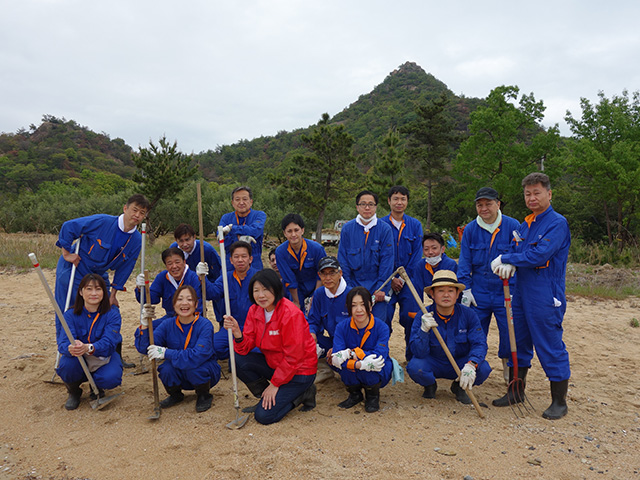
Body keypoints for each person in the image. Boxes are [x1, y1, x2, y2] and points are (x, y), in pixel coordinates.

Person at [490, 172, 571, 420]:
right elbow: (517, 249)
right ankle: (516, 391)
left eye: (537, 192)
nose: (532, 198)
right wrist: (509, 260)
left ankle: (559, 401)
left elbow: (539, 255)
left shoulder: (557, 223)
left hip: (545, 294)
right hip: (521, 292)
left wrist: (508, 259)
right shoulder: (526, 225)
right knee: (518, 341)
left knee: (549, 343)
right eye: (527, 194)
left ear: (549, 193)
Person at [55, 193, 149, 367]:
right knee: (68, 308)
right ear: (125, 208)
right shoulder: (103, 221)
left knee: (109, 307)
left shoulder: (136, 239)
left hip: (99, 273)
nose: (137, 215)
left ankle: (113, 354)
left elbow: (125, 268)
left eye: (142, 213)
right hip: (75, 268)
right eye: (134, 210)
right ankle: (67, 355)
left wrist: (113, 294)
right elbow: (69, 226)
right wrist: (66, 253)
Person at [223, 269, 317, 425]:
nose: (261, 295)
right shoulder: (255, 310)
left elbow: (294, 357)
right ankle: (266, 398)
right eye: (256, 290)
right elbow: (245, 348)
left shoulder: (290, 314)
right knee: (237, 360)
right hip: (276, 365)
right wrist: (238, 333)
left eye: (266, 289)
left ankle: (303, 393)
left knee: (264, 417)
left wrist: (275, 384)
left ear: (276, 288)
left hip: (300, 371)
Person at [457, 187, 521, 384]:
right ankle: (473, 369)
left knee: (509, 333)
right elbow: (465, 261)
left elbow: (521, 255)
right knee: (475, 332)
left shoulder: (513, 226)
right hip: (479, 291)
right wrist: (465, 289)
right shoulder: (470, 230)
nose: (484, 208)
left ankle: (509, 372)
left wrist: (512, 262)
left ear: (498, 204)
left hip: (506, 290)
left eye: (488, 204)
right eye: (480, 204)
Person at [406, 270, 491, 405]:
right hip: (434, 362)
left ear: (457, 294)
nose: (446, 295)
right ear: (432, 294)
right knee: (415, 367)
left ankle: (459, 387)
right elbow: (418, 352)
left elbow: (479, 343)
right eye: (440, 291)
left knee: (483, 368)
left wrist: (471, 364)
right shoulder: (423, 316)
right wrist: (424, 330)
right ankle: (429, 385)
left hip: (460, 363)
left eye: (451, 291)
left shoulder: (469, 315)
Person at [136, 285, 221, 413]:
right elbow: (145, 348)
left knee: (195, 367)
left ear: (196, 304)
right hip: (179, 371)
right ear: (174, 304)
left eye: (189, 299)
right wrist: (144, 325)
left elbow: (197, 355)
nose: (184, 303)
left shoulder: (205, 325)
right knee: (166, 369)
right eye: (180, 299)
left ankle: (204, 395)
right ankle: (175, 395)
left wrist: (166, 352)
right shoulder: (167, 324)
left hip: (203, 371)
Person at [56, 274, 123, 410]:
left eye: (98, 289)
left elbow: (109, 342)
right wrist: (72, 347)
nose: (94, 293)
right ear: (81, 292)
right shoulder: (69, 315)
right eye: (89, 289)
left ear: (104, 292)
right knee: (66, 366)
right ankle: (74, 392)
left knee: (111, 378)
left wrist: (89, 347)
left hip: (102, 357)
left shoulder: (113, 314)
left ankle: (97, 387)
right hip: (78, 358)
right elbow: (62, 343)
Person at [330, 287, 392, 413]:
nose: (359, 310)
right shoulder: (342, 327)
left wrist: (350, 353)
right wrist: (361, 364)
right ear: (348, 308)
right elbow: (336, 357)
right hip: (358, 365)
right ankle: (355, 394)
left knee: (373, 367)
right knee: (346, 366)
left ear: (370, 305)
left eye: (363, 304)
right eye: (354, 305)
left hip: (376, 368)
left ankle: (372, 396)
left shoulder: (382, 327)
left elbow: (378, 356)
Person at [337, 190, 394, 327]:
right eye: (363, 204)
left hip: (377, 289)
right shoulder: (347, 229)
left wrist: (381, 288)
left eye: (371, 204)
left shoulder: (385, 229)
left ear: (376, 207)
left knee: (377, 326)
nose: (367, 207)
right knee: (353, 325)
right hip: (353, 286)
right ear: (357, 207)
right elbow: (343, 260)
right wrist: (349, 289)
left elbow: (387, 261)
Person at [402, 232, 458, 360]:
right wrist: (418, 312)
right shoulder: (420, 266)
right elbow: (417, 291)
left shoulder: (450, 265)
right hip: (432, 303)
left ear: (442, 249)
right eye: (426, 249)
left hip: (449, 303)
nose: (430, 252)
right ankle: (411, 355)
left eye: (434, 248)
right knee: (412, 319)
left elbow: (452, 292)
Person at [380, 186, 424, 329]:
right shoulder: (380, 225)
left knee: (412, 317)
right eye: (396, 199)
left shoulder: (415, 225)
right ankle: (382, 350)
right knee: (383, 317)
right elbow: (377, 256)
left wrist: (404, 278)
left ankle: (411, 351)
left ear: (407, 201)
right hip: (386, 280)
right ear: (389, 201)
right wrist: (391, 278)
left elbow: (418, 254)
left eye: (403, 199)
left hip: (410, 280)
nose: (399, 202)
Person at [205, 241, 258, 360]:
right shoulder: (225, 277)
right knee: (212, 346)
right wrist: (203, 278)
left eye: (244, 256)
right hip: (231, 327)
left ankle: (239, 356)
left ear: (250, 259)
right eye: (236, 257)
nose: (240, 260)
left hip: (253, 329)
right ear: (231, 260)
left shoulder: (258, 277)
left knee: (259, 350)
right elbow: (212, 293)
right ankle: (235, 353)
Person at [134, 247, 203, 329]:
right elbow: (151, 299)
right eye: (169, 263)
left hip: (191, 319)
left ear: (184, 262)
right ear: (166, 266)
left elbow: (198, 305)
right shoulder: (162, 277)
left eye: (177, 262)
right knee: (143, 330)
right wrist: (141, 288)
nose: (174, 266)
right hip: (170, 318)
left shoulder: (193, 278)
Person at [170, 223, 223, 321]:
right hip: (187, 283)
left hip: (208, 280)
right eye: (181, 241)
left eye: (187, 240)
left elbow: (218, 273)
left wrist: (208, 284)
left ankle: (221, 321)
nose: (185, 244)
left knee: (219, 301)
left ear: (194, 237)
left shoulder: (207, 250)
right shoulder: (174, 250)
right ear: (176, 240)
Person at [275, 214, 326, 311]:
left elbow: (321, 274)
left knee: (316, 313)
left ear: (302, 230)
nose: (293, 235)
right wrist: (297, 303)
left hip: (316, 287)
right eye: (289, 231)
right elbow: (289, 280)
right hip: (295, 291)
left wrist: (314, 299)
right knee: (296, 314)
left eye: (296, 230)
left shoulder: (317, 249)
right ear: (284, 233)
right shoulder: (280, 252)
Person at [307, 256, 352, 360]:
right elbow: (313, 320)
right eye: (324, 274)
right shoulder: (319, 293)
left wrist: (338, 347)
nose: (328, 278)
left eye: (332, 273)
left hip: (350, 343)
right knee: (303, 340)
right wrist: (312, 333)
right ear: (319, 275)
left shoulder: (351, 294)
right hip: (331, 341)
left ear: (340, 273)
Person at [218, 186, 267, 270]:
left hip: (254, 266)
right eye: (237, 199)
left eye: (244, 199)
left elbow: (255, 231)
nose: (241, 202)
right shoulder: (226, 218)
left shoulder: (259, 215)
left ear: (251, 202)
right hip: (230, 266)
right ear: (232, 203)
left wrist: (232, 228)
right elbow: (222, 240)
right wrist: (242, 238)